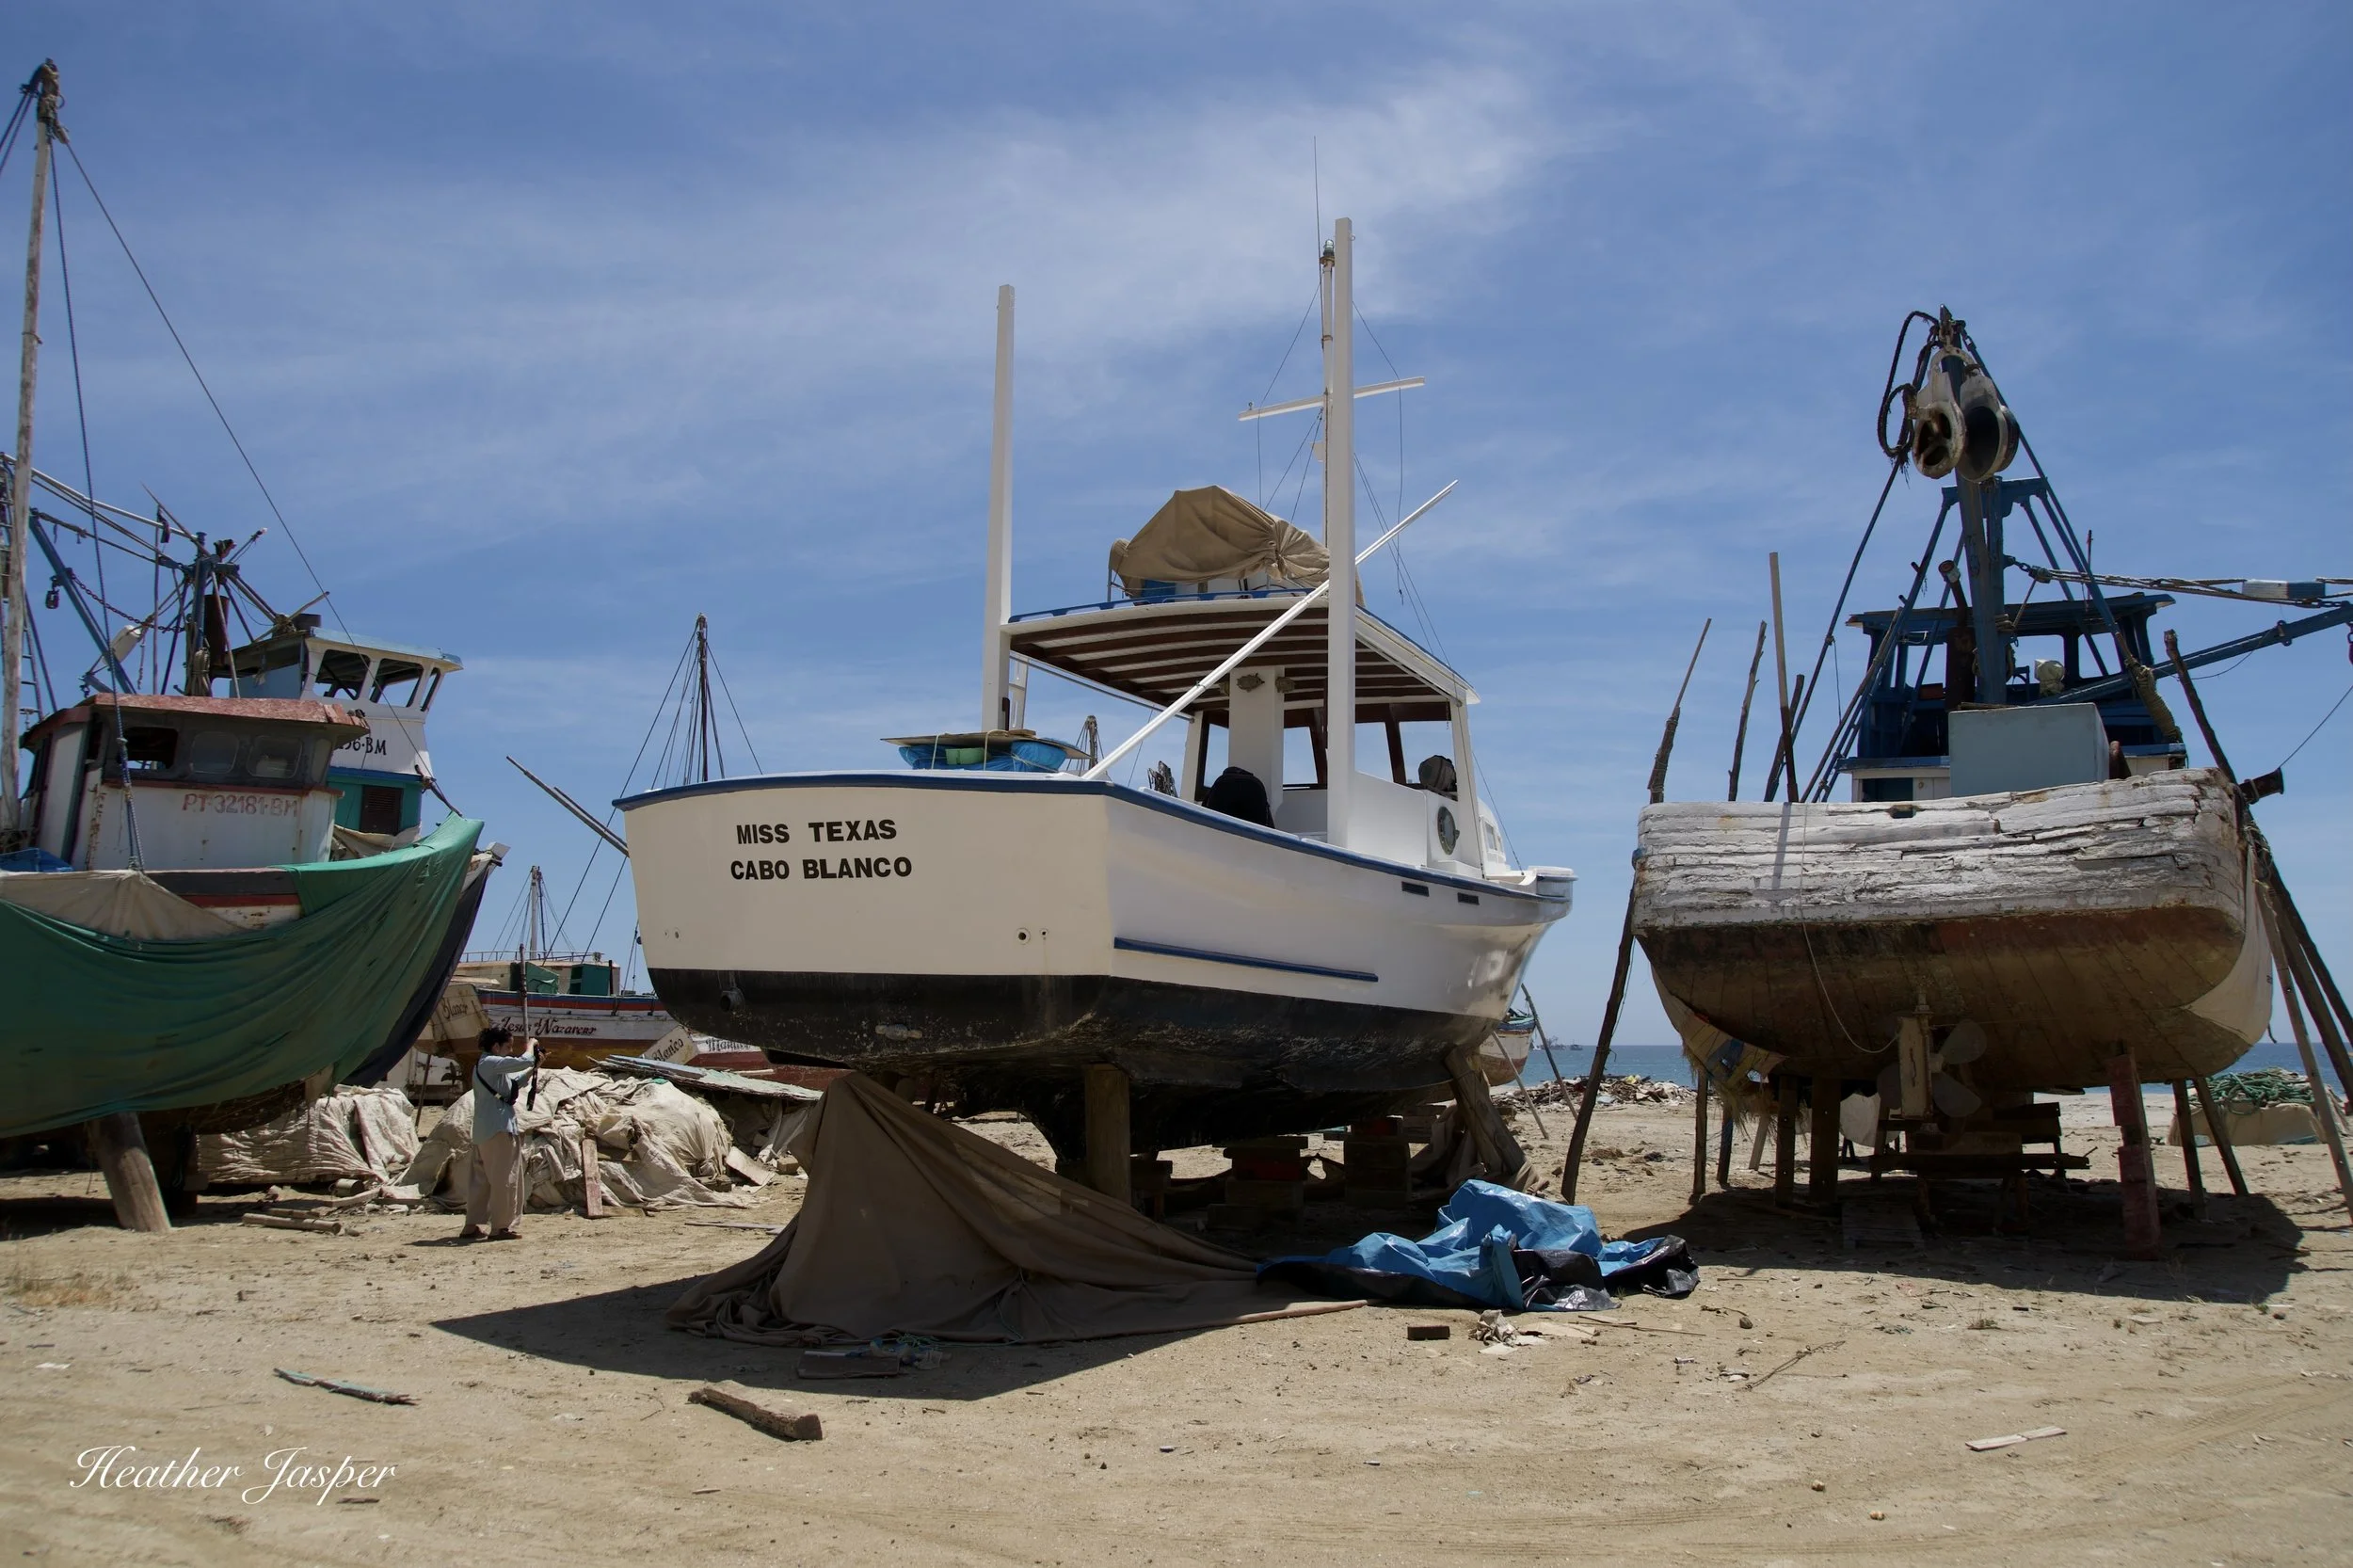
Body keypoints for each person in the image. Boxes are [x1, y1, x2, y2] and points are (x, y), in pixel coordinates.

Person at [458, 1027, 537, 1241]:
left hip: (484, 1130)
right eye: (508, 1046)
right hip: (499, 1129)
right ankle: (501, 1227)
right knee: (505, 1179)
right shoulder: (492, 1063)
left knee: (481, 1181)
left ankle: (471, 1225)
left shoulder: (483, 1066)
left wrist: (535, 1066)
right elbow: (523, 1061)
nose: (510, 1051)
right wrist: (530, 1046)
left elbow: (513, 1085)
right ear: (496, 1046)